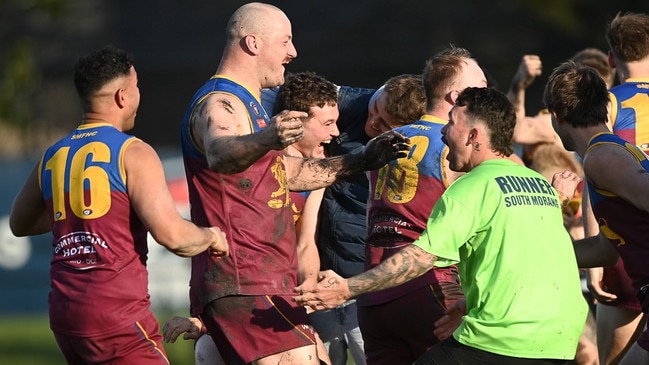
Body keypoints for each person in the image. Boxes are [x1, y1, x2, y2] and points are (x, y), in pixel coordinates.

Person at [179, 3, 409, 364]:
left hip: (264, 279)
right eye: (285, 41)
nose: (293, 52)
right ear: (253, 44)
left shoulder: (251, 105)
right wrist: (266, 139)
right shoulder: (220, 101)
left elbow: (291, 174)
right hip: (245, 278)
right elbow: (220, 152)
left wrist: (362, 160)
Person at [295, 86, 589, 364]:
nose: (445, 134)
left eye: (451, 125)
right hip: (561, 336)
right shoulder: (536, 181)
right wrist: (466, 303)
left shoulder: (471, 187)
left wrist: (348, 288)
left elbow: (420, 257)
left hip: (505, 335)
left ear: (474, 136)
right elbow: (526, 253)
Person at [8, 45, 229, 364]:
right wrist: (212, 237)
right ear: (123, 96)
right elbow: (174, 237)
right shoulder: (132, 152)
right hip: (115, 316)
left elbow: (19, 223)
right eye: (137, 87)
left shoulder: (54, 155)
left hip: (65, 315)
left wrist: (73, 216)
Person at [357, 46, 490, 365]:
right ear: (458, 95)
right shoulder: (456, 145)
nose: (489, 96)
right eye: (483, 88)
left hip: (375, 289)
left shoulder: (382, 142)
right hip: (428, 281)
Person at [545, 61, 649, 365]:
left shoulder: (601, 157)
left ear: (556, 116)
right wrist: (543, 251)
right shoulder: (612, 151)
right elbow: (605, 249)